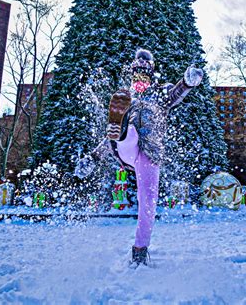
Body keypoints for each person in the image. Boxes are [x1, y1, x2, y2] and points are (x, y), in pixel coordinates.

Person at [75, 49, 204, 266]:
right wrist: (93, 158)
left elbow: (176, 94)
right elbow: (108, 141)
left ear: (151, 76)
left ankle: (140, 249)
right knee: (127, 132)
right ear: (132, 76)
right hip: (126, 148)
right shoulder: (127, 98)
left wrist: (187, 82)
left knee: (148, 204)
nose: (140, 80)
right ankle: (123, 128)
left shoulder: (160, 93)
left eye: (144, 76)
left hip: (150, 155)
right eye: (136, 76)